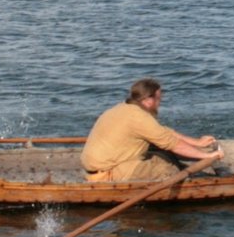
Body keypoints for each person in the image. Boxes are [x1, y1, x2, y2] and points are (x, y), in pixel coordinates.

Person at [81, 78, 222, 183]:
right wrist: (207, 157)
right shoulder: (138, 117)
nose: (160, 102)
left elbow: (162, 132)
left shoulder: (124, 108)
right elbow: (172, 143)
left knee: (164, 155)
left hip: (105, 166)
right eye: (159, 98)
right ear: (148, 100)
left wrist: (197, 143)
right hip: (109, 172)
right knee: (168, 170)